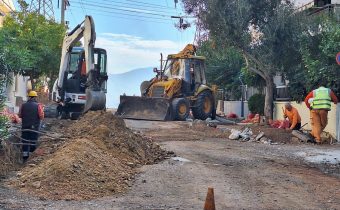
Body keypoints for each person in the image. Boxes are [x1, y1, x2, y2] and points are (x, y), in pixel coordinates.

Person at [18, 90, 44, 161]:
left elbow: (19, 115)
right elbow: (41, 116)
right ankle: (31, 158)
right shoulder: (38, 105)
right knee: (33, 141)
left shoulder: (23, 105)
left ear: (29, 97)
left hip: (25, 127)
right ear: (35, 97)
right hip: (34, 128)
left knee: (25, 141)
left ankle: (25, 157)